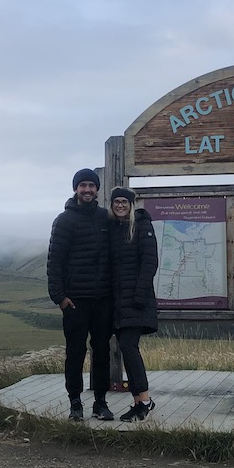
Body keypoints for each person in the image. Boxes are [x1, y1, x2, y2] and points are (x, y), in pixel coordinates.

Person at [47, 168, 114, 421]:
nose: (87, 190)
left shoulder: (105, 218)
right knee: (75, 352)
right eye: (82, 185)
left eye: (91, 186)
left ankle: (100, 402)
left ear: (97, 189)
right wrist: (60, 298)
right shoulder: (64, 220)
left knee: (102, 352)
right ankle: (75, 403)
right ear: (75, 189)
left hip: (102, 299)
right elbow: (55, 262)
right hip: (74, 301)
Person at [107, 187, 158, 422]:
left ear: (131, 204)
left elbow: (150, 262)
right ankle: (139, 402)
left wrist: (140, 295)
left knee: (129, 346)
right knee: (127, 349)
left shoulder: (141, 225)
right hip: (118, 302)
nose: (120, 205)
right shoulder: (114, 229)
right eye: (116, 201)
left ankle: (145, 400)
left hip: (137, 300)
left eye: (124, 201)